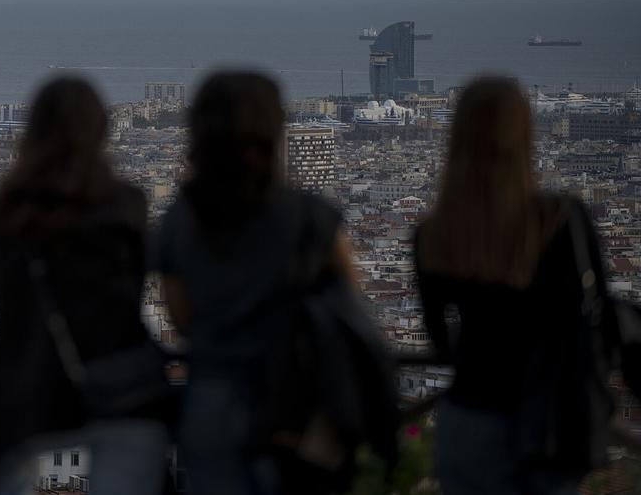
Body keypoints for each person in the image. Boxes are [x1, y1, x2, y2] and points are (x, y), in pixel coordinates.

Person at [157, 71, 393, 495]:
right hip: (296, 405)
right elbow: (350, 306)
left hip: (213, 398)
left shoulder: (180, 221)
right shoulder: (311, 217)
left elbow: (181, 314)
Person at [415, 77, 615, 495]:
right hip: (547, 420)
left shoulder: (435, 233)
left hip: (469, 414)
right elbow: (597, 313)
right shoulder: (563, 221)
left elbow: (438, 336)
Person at [0, 77, 170, 495]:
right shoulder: (126, 206)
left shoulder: (4, 214)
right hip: (122, 391)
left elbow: (8, 305)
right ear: (100, 130)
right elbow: (132, 298)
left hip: (28, 394)